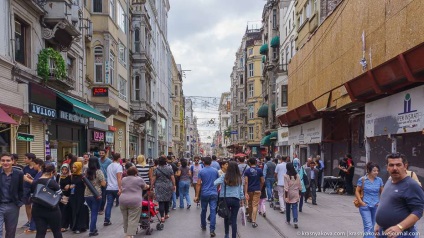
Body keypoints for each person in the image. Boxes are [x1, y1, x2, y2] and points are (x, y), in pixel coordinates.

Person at [375, 153, 424, 238]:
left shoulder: (411, 185)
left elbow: (418, 211)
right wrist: (378, 224)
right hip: (383, 232)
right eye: (391, 165)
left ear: (405, 166)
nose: (395, 168)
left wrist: (400, 227)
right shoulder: (389, 181)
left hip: (401, 234)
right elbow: (385, 203)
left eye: (398, 165)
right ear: (387, 167)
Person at [31, 163, 63, 238]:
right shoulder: (52, 182)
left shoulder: (35, 182)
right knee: (57, 231)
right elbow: (60, 195)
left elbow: (32, 196)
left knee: (40, 232)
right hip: (52, 210)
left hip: (37, 210)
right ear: (52, 172)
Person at [214, 161, 244, 238]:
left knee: (226, 217)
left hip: (225, 200)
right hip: (235, 199)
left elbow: (215, 183)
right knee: (234, 219)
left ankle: (226, 234)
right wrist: (242, 200)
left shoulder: (224, 176)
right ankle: (234, 236)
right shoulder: (238, 177)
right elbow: (241, 190)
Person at [355, 162, 384, 238]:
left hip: (376, 206)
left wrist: (380, 202)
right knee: (368, 225)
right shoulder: (362, 179)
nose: (376, 172)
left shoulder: (379, 180)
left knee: (372, 225)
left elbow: (383, 193)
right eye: (374, 170)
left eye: (377, 171)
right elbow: (357, 191)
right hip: (365, 206)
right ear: (369, 170)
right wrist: (361, 202)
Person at [120, 167, 149, 238]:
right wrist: (148, 186)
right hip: (135, 201)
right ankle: (129, 235)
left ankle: (126, 233)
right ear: (136, 173)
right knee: (133, 218)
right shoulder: (139, 179)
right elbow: (145, 187)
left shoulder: (123, 179)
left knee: (125, 217)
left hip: (123, 200)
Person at [0, 152, 24, 238]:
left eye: (8, 160)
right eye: (3, 160)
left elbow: (21, 189)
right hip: (0, 205)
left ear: (13, 161)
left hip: (13, 205)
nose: (5, 162)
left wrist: (19, 201)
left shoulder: (19, 173)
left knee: (11, 231)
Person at [194, 156, 219, 237]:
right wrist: (216, 190)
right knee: (213, 211)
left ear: (203, 162)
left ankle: (203, 225)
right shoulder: (215, 171)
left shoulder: (201, 171)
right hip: (214, 193)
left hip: (204, 193)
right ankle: (212, 230)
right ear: (211, 162)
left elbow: (198, 184)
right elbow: (218, 183)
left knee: (203, 210)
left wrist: (197, 196)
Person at [84, 157, 106, 236]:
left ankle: (94, 228)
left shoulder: (86, 171)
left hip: (87, 194)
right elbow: (103, 184)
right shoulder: (98, 172)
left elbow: (85, 183)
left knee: (92, 211)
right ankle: (92, 230)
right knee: (94, 213)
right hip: (96, 194)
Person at [151, 156, 176, 222]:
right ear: (165, 161)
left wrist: (151, 186)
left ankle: (162, 216)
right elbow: (172, 177)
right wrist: (174, 185)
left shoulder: (157, 169)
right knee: (167, 200)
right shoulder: (169, 168)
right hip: (168, 185)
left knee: (161, 201)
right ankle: (167, 214)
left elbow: (153, 179)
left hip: (159, 186)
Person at [69, 161, 89, 234]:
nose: (73, 169)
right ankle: (75, 226)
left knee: (80, 211)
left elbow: (86, 186)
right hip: (73, 196)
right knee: (74, 211)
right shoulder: (72, 175)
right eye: (73, 167)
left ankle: (81, 227)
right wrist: (70, 186)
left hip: (81, 196)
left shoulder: (82, 176)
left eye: (75, 167)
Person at [244, 158, 264, 228]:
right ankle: (254, 221)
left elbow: (246, 182)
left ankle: (250, 217)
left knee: (249, 204)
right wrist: (260, 188)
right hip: (257, 190)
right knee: (255, 205)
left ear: (249, 163)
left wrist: (245, 192)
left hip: (250, 190)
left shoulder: (247, 171)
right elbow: (262, 181)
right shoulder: (259, 170)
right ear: (256, 162)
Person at [104, 153, 123, 226]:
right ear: (118, 158)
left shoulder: (109, 166)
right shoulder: (119, 166)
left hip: (109, 187)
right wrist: (120, 188)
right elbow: (119, 178)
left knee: (109, 204)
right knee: (123, 203)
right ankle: (125, 218)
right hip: (116, 187)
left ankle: (106, 219)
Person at [22, 153, 37, 228]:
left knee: (35, 206)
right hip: (26, 188)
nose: (24, 160)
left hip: (34, 188)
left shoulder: (36, 168)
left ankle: (35, 221)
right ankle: (29, 220)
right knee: (27, 205)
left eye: (25, 158)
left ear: (30, 159)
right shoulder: (25, 168)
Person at [284, 162, 301, 228]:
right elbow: (300, 185)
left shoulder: (286, 176)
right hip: (296, 192)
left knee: (288, 207)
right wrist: (299, 194)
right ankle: (295, 220)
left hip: (289, 193)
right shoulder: (297, 175)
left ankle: (288, 220)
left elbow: (286, 187)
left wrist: (286, 197)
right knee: (294, 207)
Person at [57, 164, 72, 232]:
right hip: (60, 195)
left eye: (66, 170)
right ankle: (60, 225)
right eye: (63, 169)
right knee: (60, 210)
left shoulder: (70, 176)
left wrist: (69, 185)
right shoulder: (59, 176)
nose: (64, 171)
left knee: (65, 211)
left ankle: (65, 225)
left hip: (67, 195)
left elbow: (73, 184)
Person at [98, 149, 112, 215]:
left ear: (105, 154)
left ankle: (101, 209)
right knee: (98, 194)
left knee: (103, 195)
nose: (101, 154)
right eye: (100, 153)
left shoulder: (109, 161)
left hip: (105, 180)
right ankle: (98, 207)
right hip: (98, 180)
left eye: (102, 153)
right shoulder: (98, 160)